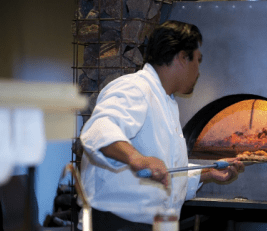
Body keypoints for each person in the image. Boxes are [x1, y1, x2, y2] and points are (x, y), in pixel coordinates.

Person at [79, 20, 244, 231]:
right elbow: (99, 129)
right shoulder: (134, 88)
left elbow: (164, 170)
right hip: (119, 225)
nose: (199, 71)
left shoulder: (165, 101)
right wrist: (136, 158)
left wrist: (208, 172)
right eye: (197, 60)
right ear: (182, 57)